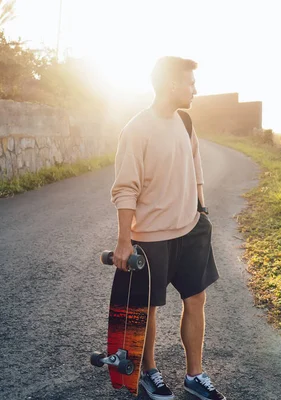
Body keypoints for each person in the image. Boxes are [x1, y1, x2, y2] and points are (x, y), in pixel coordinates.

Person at [110, 56, 226, 400]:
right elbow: (125, 188)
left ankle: (195, 375)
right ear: (172, 84)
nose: (195, 89)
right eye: (190, 83)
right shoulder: (136, 130)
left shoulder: (186, 122)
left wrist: (201, 209)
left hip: (190, 228)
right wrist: (123, 240)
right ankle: (149, 372)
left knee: (196, 299)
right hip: (151, 237)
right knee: (149, 308)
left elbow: (195, 166)